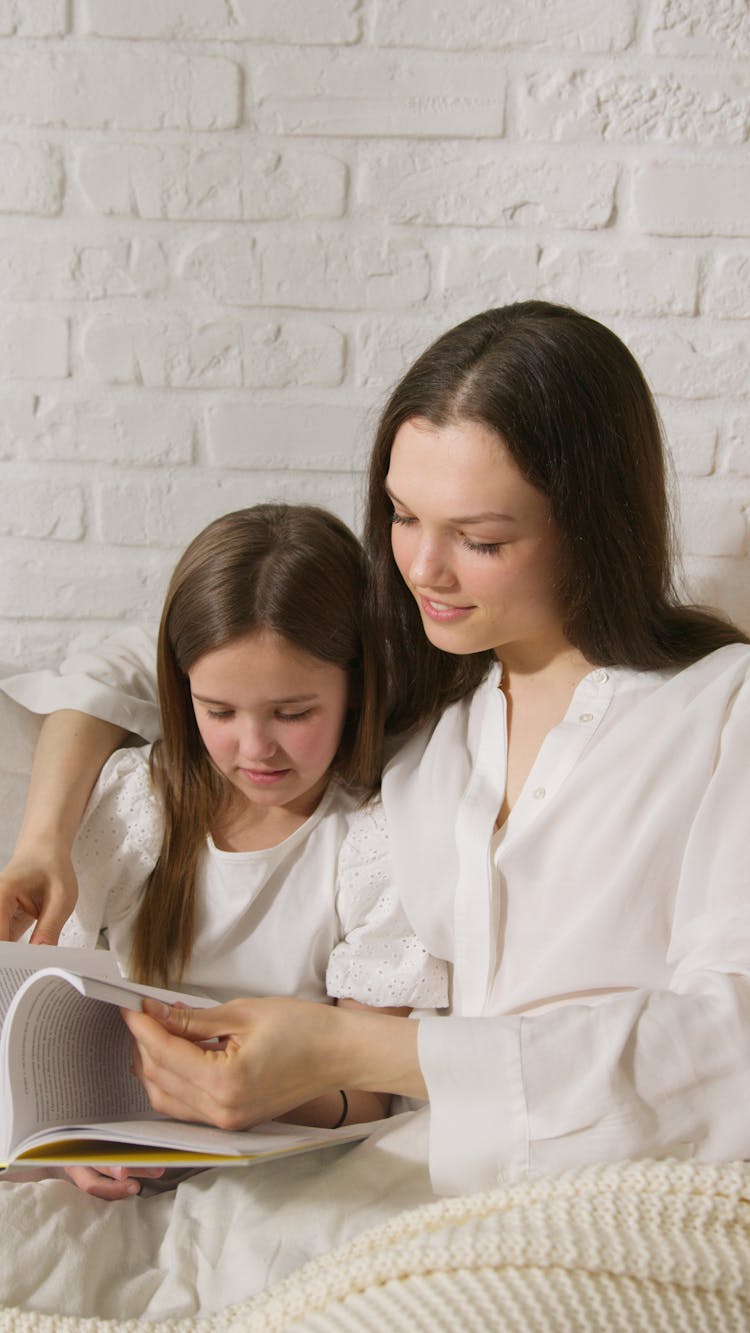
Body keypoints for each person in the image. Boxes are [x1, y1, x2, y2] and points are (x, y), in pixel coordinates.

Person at [1, 300, 749, 1314]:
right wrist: (45, 839)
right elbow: (150, 661)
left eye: (478, 538)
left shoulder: (718, 710)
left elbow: (728, 1040)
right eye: (402, 516)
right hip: (397, 1186)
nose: (424, 570)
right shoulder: (429, 715)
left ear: (591, 523)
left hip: (622, 1189)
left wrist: (364, 1050)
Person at [6, 503, 446, 1201]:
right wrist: (72, 1139)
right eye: (219, 711)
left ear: (355, 684)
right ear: (184, 695)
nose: (255, 748)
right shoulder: (137, 803)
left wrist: (253, 1093)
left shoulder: (374, 842)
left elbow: (362, 1095)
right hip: (121, 1154)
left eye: (293, 713)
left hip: (278, 1168)